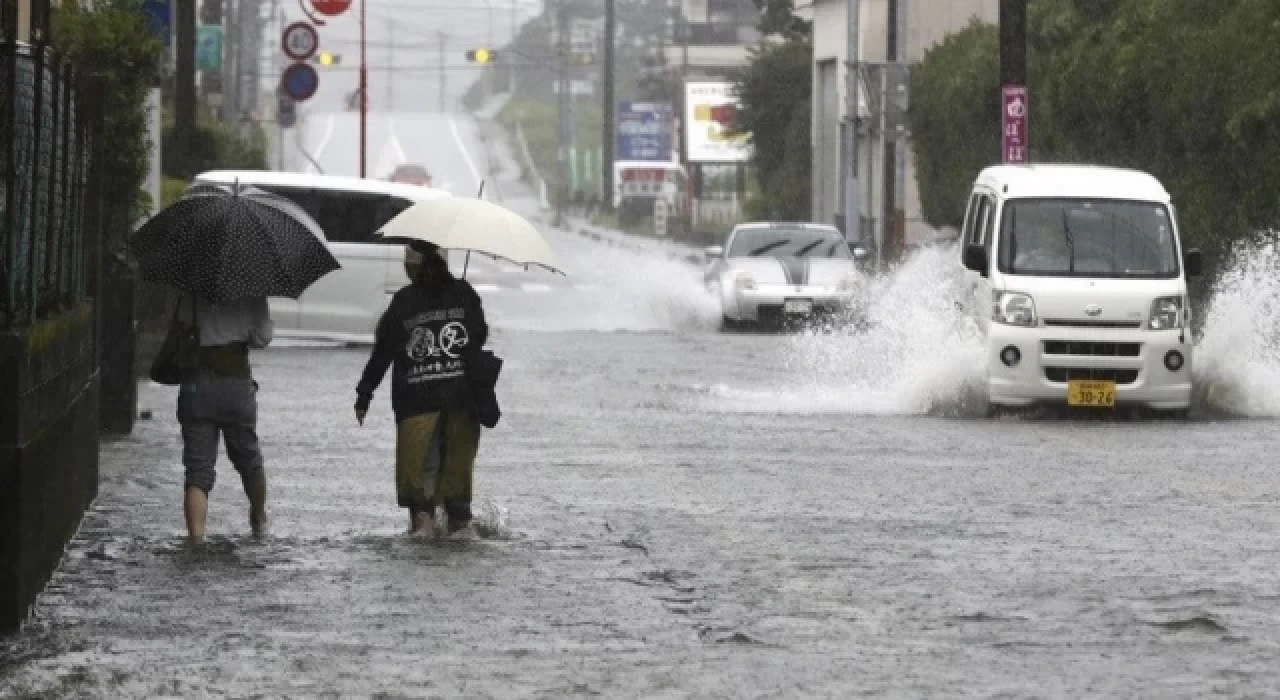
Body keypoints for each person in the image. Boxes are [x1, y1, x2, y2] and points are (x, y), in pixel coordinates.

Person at [355, 241, 489, 538]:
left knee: (421, 494)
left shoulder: (404, 301)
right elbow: (479, 336)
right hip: (462, 402)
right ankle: (458, 528)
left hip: (417, 405)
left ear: (411, 266)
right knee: (458, 493)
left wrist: (365, 394)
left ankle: (424, 529)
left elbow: (383, 352)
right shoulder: (464, 293)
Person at [176, 295, 274, 544]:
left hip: (197, 384)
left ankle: (196, 541)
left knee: (198, 470)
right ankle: (258, 516)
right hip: (236, 385)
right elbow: (263, 337)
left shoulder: (194, 284)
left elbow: (181, 323)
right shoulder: (253, 288)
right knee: (249, 459)